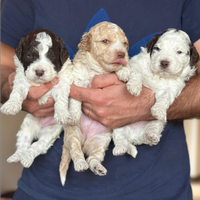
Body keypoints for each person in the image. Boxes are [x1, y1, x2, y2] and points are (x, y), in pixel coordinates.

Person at [1, 0, 200, 199]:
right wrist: (16, 90)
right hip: (42, 191)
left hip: (160, 190)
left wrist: (147, 103)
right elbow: (3, 67)